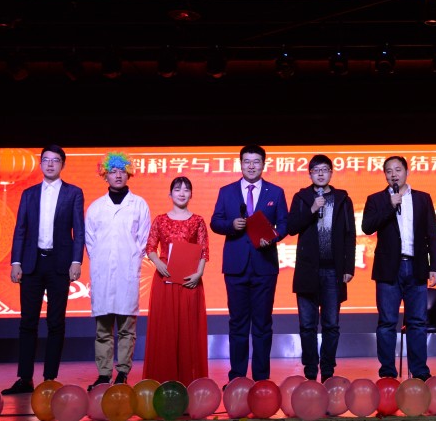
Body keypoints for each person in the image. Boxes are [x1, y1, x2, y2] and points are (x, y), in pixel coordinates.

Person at [2, 145, 85, 395]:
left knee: (56, 322)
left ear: (63, 165)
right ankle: (25, 378)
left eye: (55, 160)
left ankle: (49, 378)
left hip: (59, 263)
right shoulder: (29, 194)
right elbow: (20, 229)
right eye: (46, 160)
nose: (50, 164)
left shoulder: (73, 193)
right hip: (32, 263)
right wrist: (16, 262)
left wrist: (76, 261)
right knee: (28, 322)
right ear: (40, 164)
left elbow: (78, 230)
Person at [209, 145, 288, 383]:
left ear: (263, 164)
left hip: (264, 266)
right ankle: (237, 378)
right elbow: (215, 222)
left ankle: (262, 380)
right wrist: (231, 225)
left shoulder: (276, 192)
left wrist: (272, 237)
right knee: (238, 324)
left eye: (256, 162)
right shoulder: (226, 191)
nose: (251, 166)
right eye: (247, 161)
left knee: (263, 325)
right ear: (240, 164)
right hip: (236, 267)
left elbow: (284, 224)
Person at [361, 155, 436, 381]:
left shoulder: (423, 198)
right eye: (389, 171)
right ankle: (387, 372)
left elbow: (433, 234)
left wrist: (434, 266)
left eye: (398, 170)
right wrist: (390, 205)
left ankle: (420, 371)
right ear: (384, 175)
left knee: (417, 322)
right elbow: (367, 227)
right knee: (387, 323)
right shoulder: (376, 199)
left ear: (407, 171)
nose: (393, 174)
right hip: (389, 269)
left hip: (416, 267)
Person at [286, 154, 356, 383]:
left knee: (331, 325)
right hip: (308, 271)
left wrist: (348, 266)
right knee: (307, 325)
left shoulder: (342, 199)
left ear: (331, 173)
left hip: (333, 271)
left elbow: (350, 235)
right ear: (310, 174)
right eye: (316, 170)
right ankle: (309, 370)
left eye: (325, 169)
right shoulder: (302, 197)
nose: (321, 174)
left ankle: (327, 370)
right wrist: (312, 209)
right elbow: (292, 227)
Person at [84, 151, 151, 390]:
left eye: (122, 170)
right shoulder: (95, 207)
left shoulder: (139, 205)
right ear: (105, 175)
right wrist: (102, 262)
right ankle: (104, 374)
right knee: (103, 329)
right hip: (103, 273)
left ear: (129, 173)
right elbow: (90, 242)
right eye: (113, 171)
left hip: (127, 272)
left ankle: (122, 372)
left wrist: (130, 260)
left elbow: (143, 240)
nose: (118, 175)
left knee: (126, 328)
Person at [143, 176, 209, 386]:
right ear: (170, 194)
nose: (182, 193)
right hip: (165, 280)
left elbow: (204, 251)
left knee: (189, 332)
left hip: (190, 281)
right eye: (178, 189)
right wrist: (158, 264)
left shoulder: (198, 221)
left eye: (186, 189)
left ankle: (189, 384)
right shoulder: (160, 220)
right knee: (166, 332)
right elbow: (150, 247)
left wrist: (199, 274)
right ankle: (163, 382)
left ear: (191, 194)